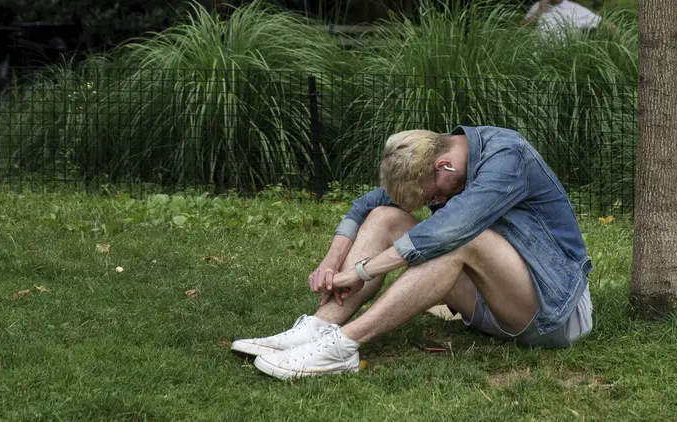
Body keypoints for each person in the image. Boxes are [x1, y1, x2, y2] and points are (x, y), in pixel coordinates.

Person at [230, 126, 594, 379]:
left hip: (555, 310)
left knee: (461, 237)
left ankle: (343, 346)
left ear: (443, 166)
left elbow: (452, 229)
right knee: (384, 216)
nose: (433, 202)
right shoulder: (440, 160)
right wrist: (329, 262)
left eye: (431, 196)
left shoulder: (507, 158)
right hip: (494, 304)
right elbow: (364, 205)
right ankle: (320, 326)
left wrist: (360, 271)